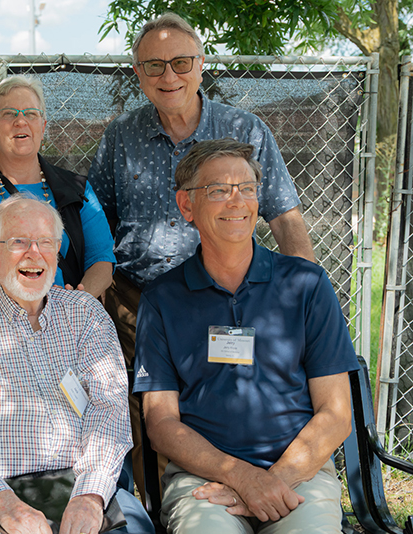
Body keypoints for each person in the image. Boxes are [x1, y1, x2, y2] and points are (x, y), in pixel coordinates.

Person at [87, 12, 315, 495]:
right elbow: (96, 224)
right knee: (145, 413)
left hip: (224, 295)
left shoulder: (244, 129)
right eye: (154, 65)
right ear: (138, 73)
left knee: (226, 401)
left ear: (201, 63)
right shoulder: (120, 136)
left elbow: (285, 218)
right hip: (136, 301)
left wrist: (305, 297)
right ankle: (161, 510)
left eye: (181, 62)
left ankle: (241, 489)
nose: (169, 75)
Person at [134, 139, 359, 533]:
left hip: (299, 473)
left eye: (247, 188)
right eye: (218, 190)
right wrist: (240, 476)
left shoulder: (306, 285)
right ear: (186, 205)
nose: (237, 201)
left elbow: (337, 414)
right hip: (204, 480)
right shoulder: (162, 299)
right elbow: (161, 423)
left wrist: (271, 482)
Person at [0, 195, 153, 534]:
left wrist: (89, 497)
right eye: (18, 242)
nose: (34, 253)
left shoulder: (85, 313)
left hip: (85, 485)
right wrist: (5, 505)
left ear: (57, 250)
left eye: (46, 242)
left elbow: (109, 410)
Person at [0, 75, 115, 306]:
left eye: (31, 113)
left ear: (43, 126)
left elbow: (101, 261)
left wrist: (78, 303)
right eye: (9, 113)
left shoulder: (79, 191)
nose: (21, 121)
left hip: (68, 317)